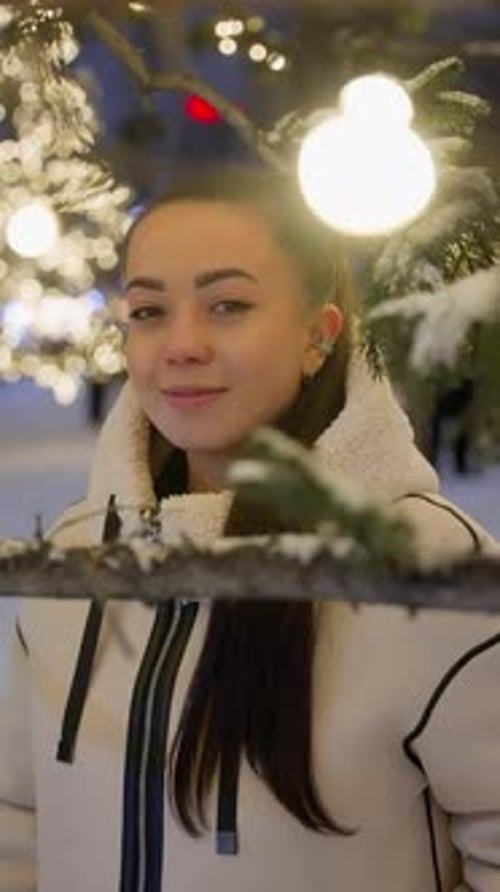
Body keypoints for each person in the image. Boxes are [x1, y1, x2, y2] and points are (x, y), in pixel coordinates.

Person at [0, 166, 499, 892]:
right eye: (148, 311)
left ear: (316, 336)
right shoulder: (76, 565)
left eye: (227, 304)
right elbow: (17, 823)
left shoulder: (427, 571)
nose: (181, 344)